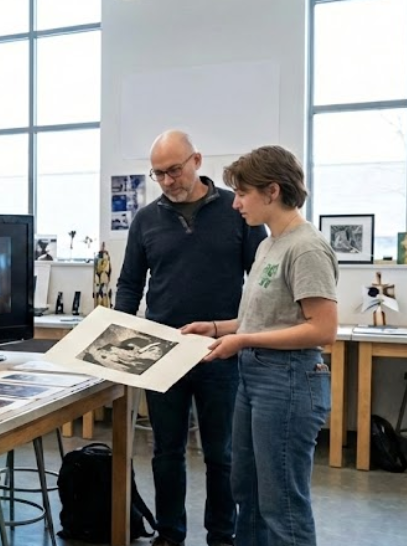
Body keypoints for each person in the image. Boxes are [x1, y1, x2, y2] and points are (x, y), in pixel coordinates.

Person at [115, 130, 267, 546]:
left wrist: (245, 330)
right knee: (166, 453)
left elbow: (262, 279)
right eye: (158, 174)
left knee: (222, 455)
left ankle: (222, 535)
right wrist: (116, 339)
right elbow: (130, 285)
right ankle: (170, 535)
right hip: (161, 352)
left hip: (220, 351)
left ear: (196, 160)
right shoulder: (146, 219)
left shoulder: (236, 211)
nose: (167, 181)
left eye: (175, 170)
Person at [182, 145, 338, 546]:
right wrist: (217, 328)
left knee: (282, 504)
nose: (235, 204)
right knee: (247, 494)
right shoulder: (269, 245)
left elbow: (322, 329)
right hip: (254, 378)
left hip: (287, 382)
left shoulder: (306, 247)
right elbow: (268, 317)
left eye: (242, 193)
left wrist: (244, 339)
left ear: (272, 191)